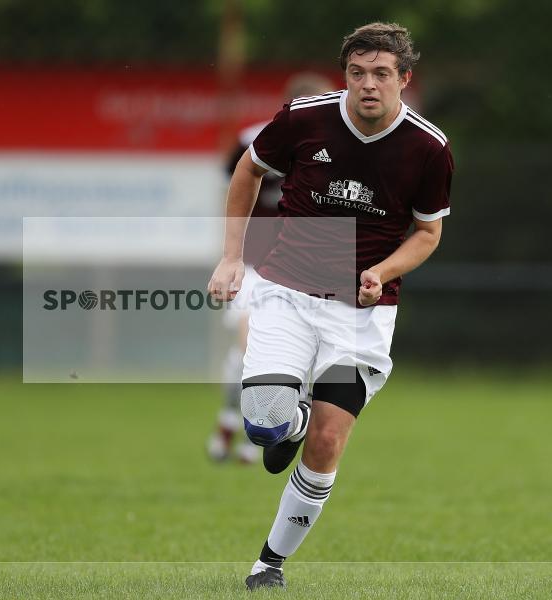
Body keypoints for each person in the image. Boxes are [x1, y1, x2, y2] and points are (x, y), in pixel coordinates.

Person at [207, 22, 454, 590]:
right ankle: (283, 425)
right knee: (267, 423)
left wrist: (381, 272)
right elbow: (248, 169)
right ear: (346, 74)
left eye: (381, 74)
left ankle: (268, 564)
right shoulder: (304, 117)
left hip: (360, 315)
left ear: (404, 79)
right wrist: (229, 257)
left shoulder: (429, 148)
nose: (368, 85)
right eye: (357, 73)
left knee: (327, 439)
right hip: (286, 295)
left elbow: (427, 233)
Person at [207, 72, 335, 465]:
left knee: (295, 358)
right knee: (249, 350)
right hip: (255, 264)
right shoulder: (254, 140)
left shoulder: (335, 148)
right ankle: (242, 424)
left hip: (304, 270)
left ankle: (249, 428)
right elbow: (236, 188)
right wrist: (229, 254)